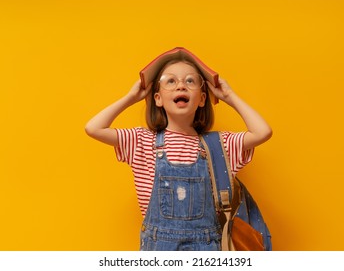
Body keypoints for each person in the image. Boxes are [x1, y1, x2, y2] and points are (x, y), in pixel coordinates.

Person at [85, 47, 272, 251]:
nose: (181, 85)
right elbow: (94, 128)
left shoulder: (219, 146)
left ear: (202, 99)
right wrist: (131, 97)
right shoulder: (141, 141)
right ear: (157, 98)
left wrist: (229, 95)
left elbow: (262, 132)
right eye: (170, 81)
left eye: (190, 81)